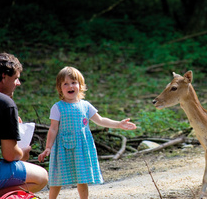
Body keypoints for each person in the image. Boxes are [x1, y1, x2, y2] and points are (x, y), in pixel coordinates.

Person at [38, 66, 136, 199]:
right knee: (58, 177)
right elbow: (53, 128)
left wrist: (119, 124)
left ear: (80, 85)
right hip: (62, 147)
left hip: (81, 147)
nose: (70, 86)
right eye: (65, 84)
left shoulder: (85, 105)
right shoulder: (57, 107)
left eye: (73, 82)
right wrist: (48, 147)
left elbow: (100, 120)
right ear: (60, 88)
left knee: (81, 177)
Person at [0, 52, 48, 198]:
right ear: (4, 76)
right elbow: (10, 155)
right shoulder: (5, 104)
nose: (18, 83)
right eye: (16, 78)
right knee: (41, 177)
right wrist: (23, 153)